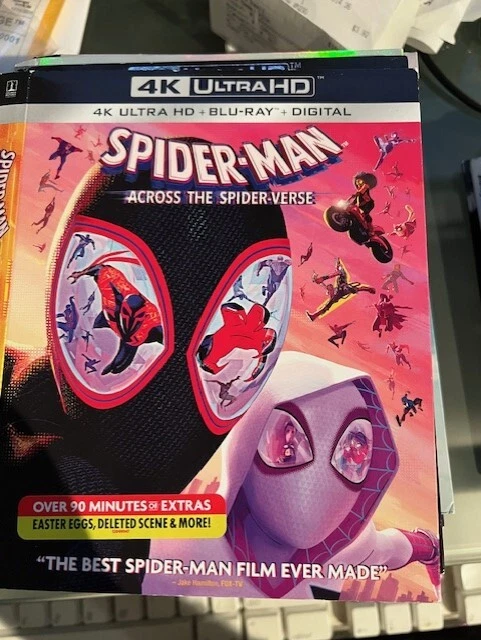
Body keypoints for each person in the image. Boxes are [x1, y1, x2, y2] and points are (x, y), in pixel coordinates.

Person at [306, 258, 375, 322]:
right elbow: (329, 282)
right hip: (339, 291)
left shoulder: (341, 272)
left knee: (346, 289)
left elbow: (334, 274)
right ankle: (314, 316)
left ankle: (314, 316)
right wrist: (320, 282)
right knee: (329, 302)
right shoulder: (338, 279)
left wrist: (323, 279)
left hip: (342, 289)